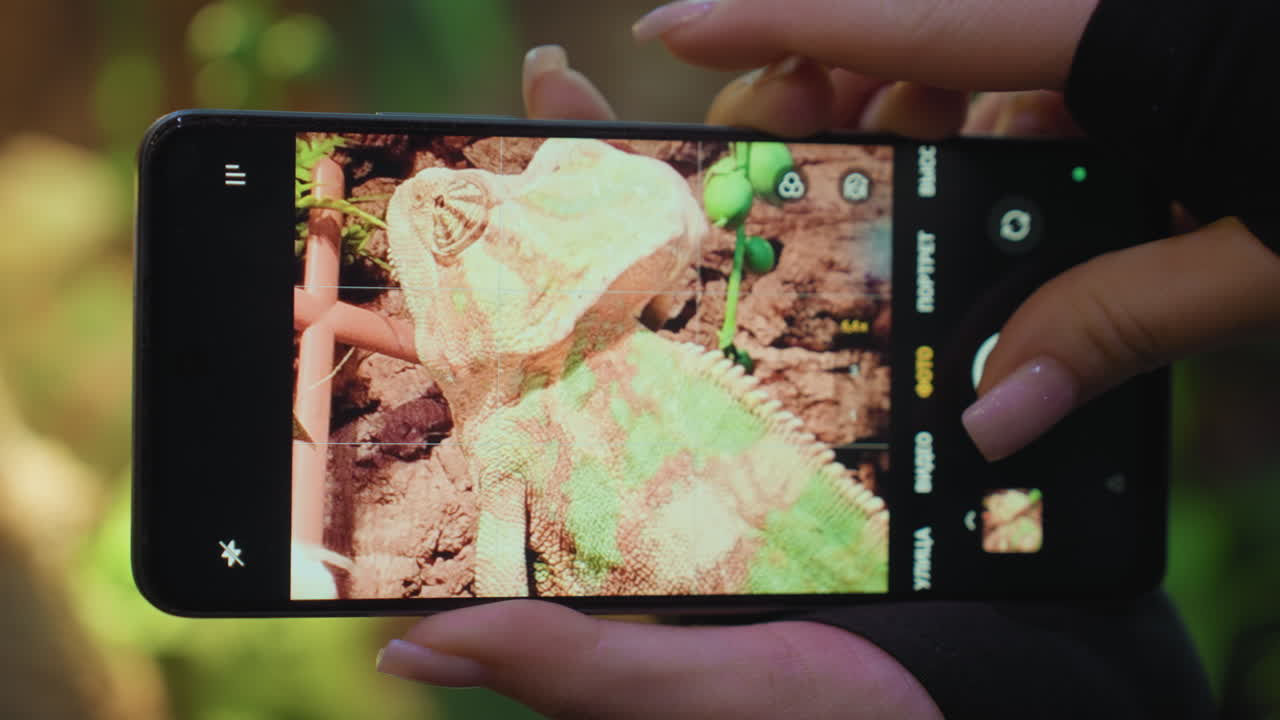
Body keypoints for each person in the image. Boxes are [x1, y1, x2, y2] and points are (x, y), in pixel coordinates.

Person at [373, 1, 1280, 716]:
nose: (425, 216)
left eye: (457, 221)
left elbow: (500, 594)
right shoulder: (593, 369)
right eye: (461, 221)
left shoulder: (514, 430)